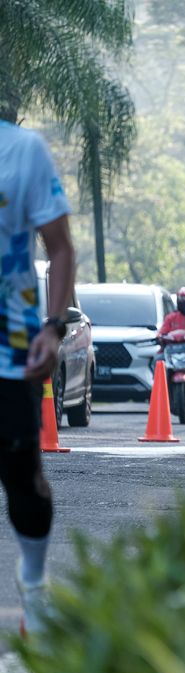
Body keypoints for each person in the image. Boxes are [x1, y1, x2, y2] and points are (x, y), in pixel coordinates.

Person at [0, 116, 75, 635]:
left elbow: (60, 247)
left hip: (11, 349)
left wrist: (53, 326)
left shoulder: (22, 150)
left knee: (22, 479)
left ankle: (33, 578)